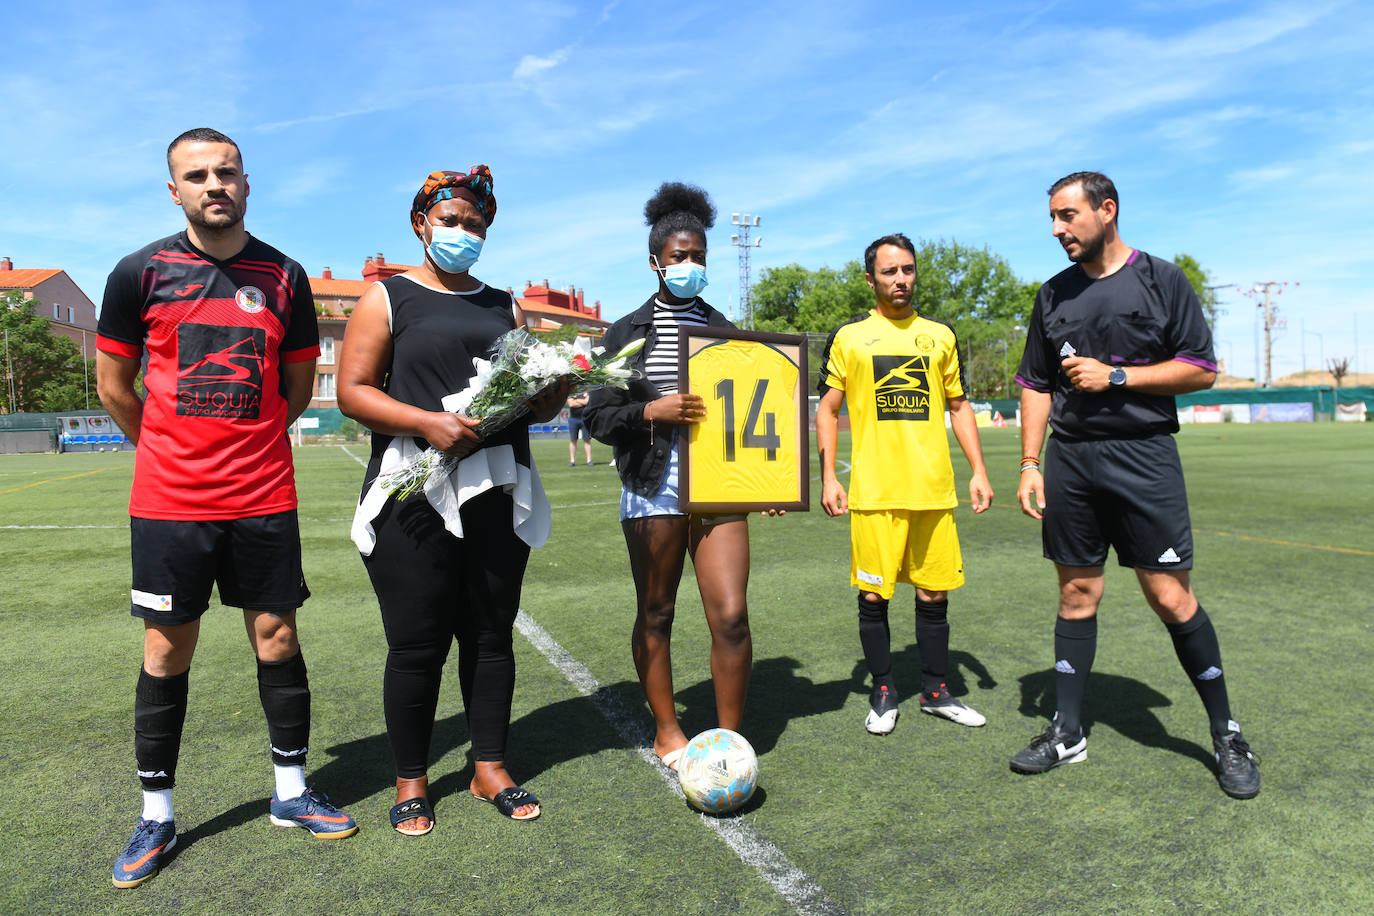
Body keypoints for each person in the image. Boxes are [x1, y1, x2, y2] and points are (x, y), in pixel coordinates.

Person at [96, 128, 355, 889]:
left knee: (276, 635)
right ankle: (157, 814)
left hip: (263, 494)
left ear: (247, 183)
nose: (215, 184)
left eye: (227, 172)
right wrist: (169, 452)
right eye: (196, 175)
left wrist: (248, 449)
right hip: (170, 500)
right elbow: (117, 386)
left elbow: (299, 387)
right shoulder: (137, 272)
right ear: (174, 190)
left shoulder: (285, 275)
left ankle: (290, 794)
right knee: (166, 651)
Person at [1010, 171, 1259, 799]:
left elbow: (1201, 369)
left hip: (1143, 458)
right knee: (1077, 594)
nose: (1058, 230)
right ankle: (1067, 730)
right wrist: (1030, 463)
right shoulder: (1052, 295)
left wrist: (1118, 377)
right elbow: (1036, 384)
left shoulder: (1162, 279)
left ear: (1107, 210)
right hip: (1070, 461)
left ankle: (1226, 732)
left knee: (1170, 598)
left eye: (1068, 216)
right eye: (1053, 219)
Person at [339, 166, 567, 835]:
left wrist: (553, 392)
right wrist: (424, 421)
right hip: (414, 488)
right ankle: (411, 776)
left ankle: (489, 765)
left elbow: (524, 388)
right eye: (452, 221)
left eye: (475, 224)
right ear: (422, 224)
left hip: (496, 483)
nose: (463, 232)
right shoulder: (388, 299)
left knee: (492, 635)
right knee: (416, 643)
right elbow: (353, 390)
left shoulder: (505, 305)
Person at [583, 182, 759, 769]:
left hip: (719, 487)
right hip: (651, 485)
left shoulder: (724, 328)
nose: (690, 265)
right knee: (657, 611)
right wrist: (648, 412)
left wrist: (771, 479)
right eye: (680, 256)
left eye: (699, 256)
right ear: (656, 260)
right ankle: (667, 731)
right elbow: (600, 417)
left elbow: (752, 413)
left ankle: (728, 743)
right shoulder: (625, 332)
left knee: (730, 616)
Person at [815, 233, 994, 737]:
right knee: (874, 597)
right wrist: (829, 476)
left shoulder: (940, 335)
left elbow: (958, 406)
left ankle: (937, 691)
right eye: (890, 272)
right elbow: (827, 410)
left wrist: (978, 471)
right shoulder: (850, 337)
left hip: (934, 491)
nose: (901, 280)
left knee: (934, 594)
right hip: (874, 493)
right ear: (871, 278)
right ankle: (885, 688)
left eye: (908, 270)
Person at [566, 392, 594, 465]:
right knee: (573, 440)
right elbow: (571, 404)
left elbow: (587, 402)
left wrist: (576, 400)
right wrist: (582, 402)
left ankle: (589, 460)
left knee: (587, 440)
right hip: (573, 419)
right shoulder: (571, 392)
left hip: (585, 419)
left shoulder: (586, 392)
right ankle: (572, 461)